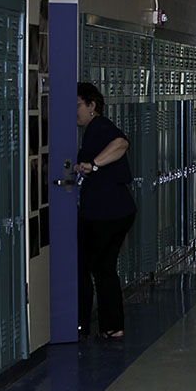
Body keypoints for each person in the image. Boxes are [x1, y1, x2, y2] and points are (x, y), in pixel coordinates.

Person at [75, 82, 136, 339]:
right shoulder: (90, 131)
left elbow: (122, 143)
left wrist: (93, 165)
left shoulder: (99, 126)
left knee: (83, 267)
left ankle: (80, 324)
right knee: (104, 268)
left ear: (92, 106)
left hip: (104, 214)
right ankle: (112, 327)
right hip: (118, 211)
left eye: (77, 105)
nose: (73, 111)